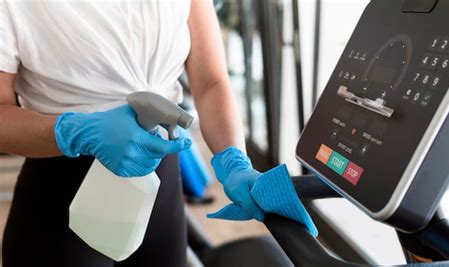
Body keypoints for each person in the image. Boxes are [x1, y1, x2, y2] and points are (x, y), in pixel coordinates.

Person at [0, 0, 264, 266]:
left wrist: (234, 159)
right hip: (61, 200)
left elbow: (211, 82)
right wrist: (74, 132)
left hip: (160, 194)